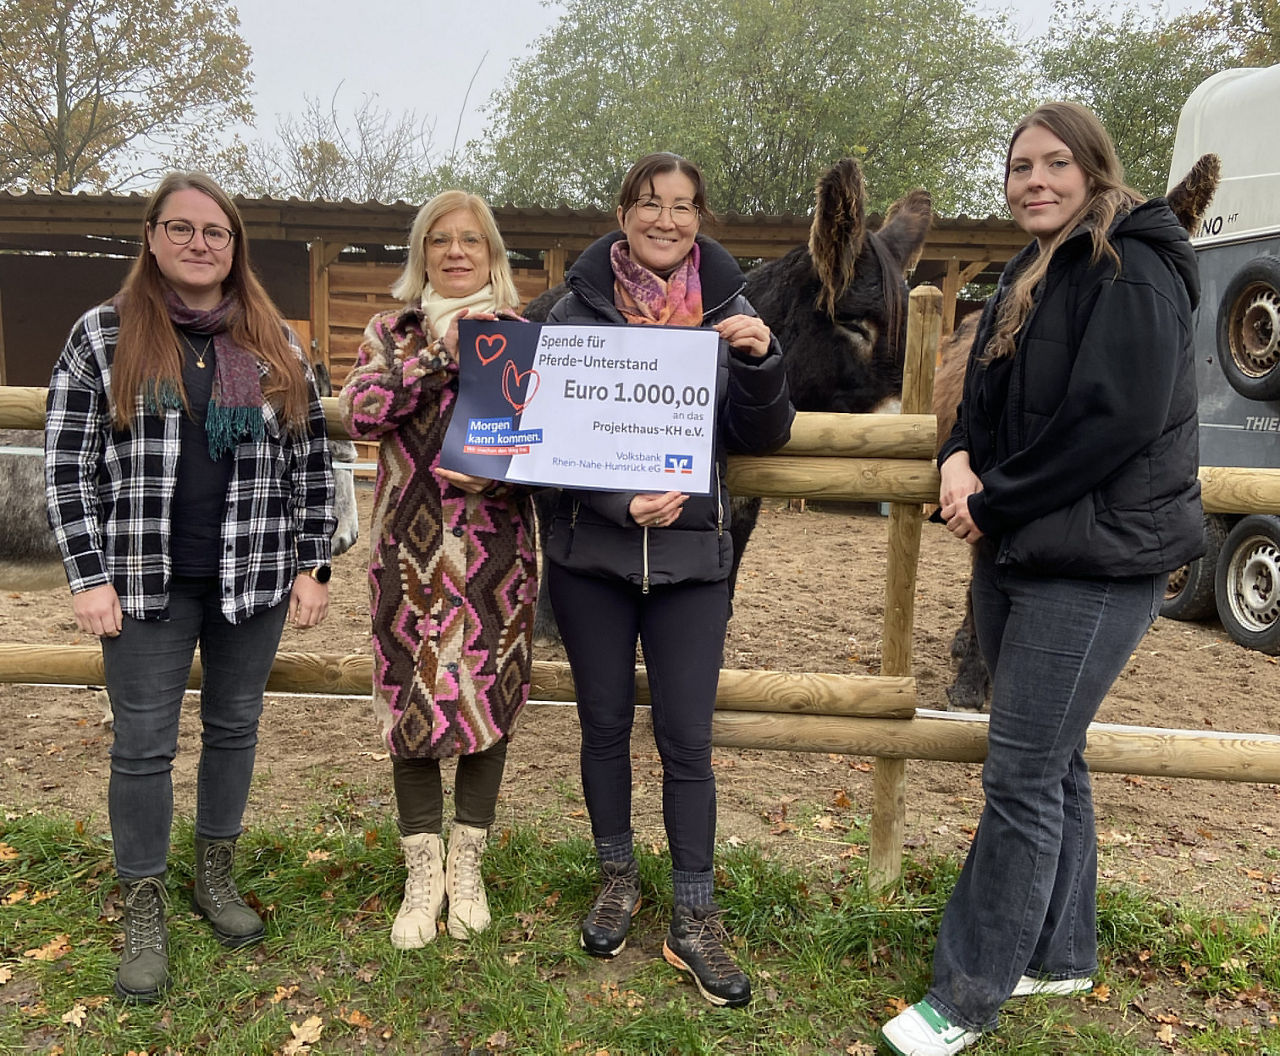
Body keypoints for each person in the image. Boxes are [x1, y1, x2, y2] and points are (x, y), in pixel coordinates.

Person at [880, 102, 1204, 1055]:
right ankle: (1060, 955)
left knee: (1019, 775)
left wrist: (998, 498)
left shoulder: (1132, 269)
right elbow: (982, 394)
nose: (1036, 181)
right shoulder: (1031, 270)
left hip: (1095, 561)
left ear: (1095, 169)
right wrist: (959, 454)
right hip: (1023, 548)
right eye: (1021, 166)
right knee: (1054, 761)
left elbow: (1114, 420)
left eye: (1056, 163)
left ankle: (966, 994)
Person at [44, 172, 337, 1002]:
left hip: (254, 576)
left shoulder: (273, 339)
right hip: (144, 583)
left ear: (234, 246)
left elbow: (313, 460)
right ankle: (144, 900)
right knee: (142, 746)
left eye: (215, 232)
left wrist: (313, 563)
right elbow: (66, 467)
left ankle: (214, 874)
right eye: (181, 228)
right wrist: (88, 575)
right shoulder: (103, 336)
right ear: (152, 236)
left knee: (234, 729)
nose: (199, 244)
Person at [542, 152, 794, 1007]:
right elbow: (544, 441)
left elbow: (764, 436)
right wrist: (617, 501)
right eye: (650, 203)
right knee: (604, 727)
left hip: (692, 565)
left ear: (700, 220)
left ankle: (695, 915)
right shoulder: (572, 311)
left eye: (684, 206)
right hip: (591, 560)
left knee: (687, 741)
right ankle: (617, 878)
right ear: (623, 212)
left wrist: (762, 362)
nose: (666, 219)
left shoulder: (731, 312)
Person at [338, 191, 537, 948]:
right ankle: (422, 873)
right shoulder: (391, 335)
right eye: (440, 240)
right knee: (410, 704)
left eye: (471, 240)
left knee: (489, 696)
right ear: (421, 252)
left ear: (493, 255)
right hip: (408, 553)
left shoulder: (521, 337)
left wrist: (503, 476)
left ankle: (467, 864)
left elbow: (550, 447)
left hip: (496, 553)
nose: (456, 252)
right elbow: (362, 413)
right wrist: (439, 357)